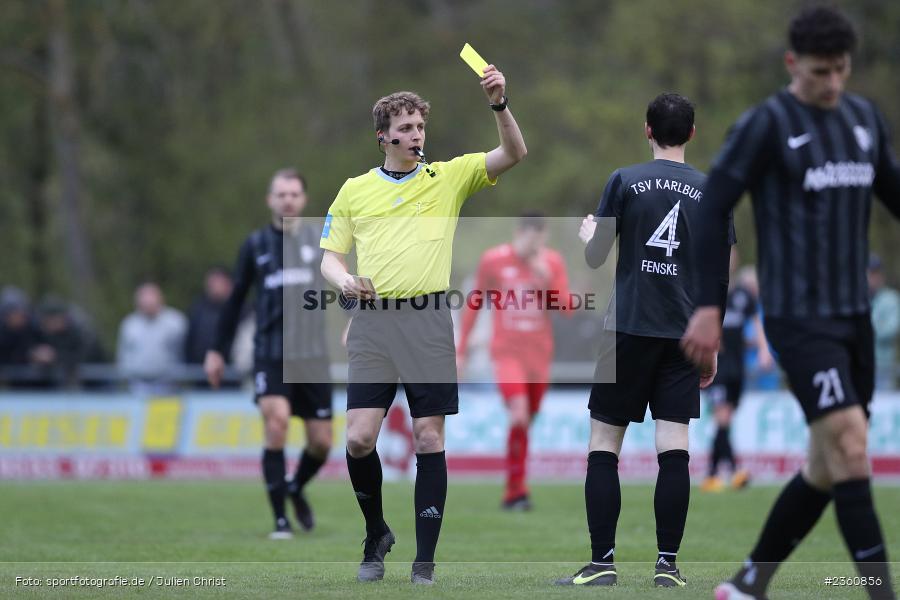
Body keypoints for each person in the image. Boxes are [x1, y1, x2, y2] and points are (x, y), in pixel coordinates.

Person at [680, 7, 900, 600]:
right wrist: (708, 307)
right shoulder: (766, 125)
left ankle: (750, 583)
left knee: (829, 465)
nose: (832, 84)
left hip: (853, 316)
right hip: (798, 318)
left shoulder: (863, 119)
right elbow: (709, 211)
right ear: (792, 64)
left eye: (841, 71)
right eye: (820, 72)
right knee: (853, 444)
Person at [320, 64, 526, 584]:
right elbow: (328, 257)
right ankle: (375, 533)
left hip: (428, 319)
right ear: (383, 137)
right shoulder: (354, 190)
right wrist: (344, 281)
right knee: (359, 440)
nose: (416, 136)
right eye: (406, 129)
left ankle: (424, 563)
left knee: (429, 438)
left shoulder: (448, 177)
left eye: (419, 127)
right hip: (371, 322)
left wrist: (499, 105)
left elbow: (514, 154)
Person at [555, 93, 729, 589]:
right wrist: (711, 341)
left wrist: (590, 232)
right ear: (692, 134)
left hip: (626, 329)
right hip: (685, 334)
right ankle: (667, 566)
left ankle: (602, 563)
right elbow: (719, 275)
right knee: (673, 445)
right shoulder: (713, 189)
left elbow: (594, 259)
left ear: (647, 130)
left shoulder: (624, 181)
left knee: (604, 443)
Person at [205, 169, 334, 540]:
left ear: (304, 200)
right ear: (270, 200)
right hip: (271, 354)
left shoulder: (320, 242)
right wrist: (216, 349)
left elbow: (344, 288)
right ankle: (280, 519)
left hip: (312, 356)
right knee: (276, 423)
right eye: (281, 194)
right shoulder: (255, 245)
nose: (288, 200)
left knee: (322, 442)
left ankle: (294, 487)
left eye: (294, 194)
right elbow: (233, 302)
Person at [456, 212, 570, 510]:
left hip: (539, 355)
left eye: (540, 237)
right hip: (507, 353)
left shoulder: (551, 263)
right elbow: (474, 304)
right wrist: (461, 350)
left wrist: (546, 280)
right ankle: (515, 491)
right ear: (519, 233)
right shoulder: (494, 260)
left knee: (527, 419)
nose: (535, 243)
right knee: (518, 415)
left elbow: (567, 308)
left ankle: (515, 488)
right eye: (530, 236)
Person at [701, 247, 774, 492]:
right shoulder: (707, 289)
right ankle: (727, 471)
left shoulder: (744, 295)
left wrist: (764, 351)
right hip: (715, 364)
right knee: (722, 416)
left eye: (731, 255)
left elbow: (756, 323)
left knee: (726, 419)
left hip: (737, 366)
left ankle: (716, 473)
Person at [116, 282, 186, 394]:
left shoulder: (175, 322)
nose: (148, 303)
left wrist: (179, 377)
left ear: (160, 299)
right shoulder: (129, 324)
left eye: (151, 299)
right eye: (144, 300)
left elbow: (183, 352)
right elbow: (124, 355)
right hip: (138, 385)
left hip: (168, 384)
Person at [185, 267, 234, 366]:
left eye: (218, 283)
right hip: (199, 370)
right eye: (211, 283)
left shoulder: (241, 310)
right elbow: (189, 340)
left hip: (230, 371)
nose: (213, 286)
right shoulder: (197, 309)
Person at [868, 254, 900, 389]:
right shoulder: (857, 300)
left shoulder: (891, 298)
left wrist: (864, 328)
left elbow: (890, 330)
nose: (873, 278)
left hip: (884, 368)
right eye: (870, 273)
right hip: (859, 367)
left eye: (876, 273)